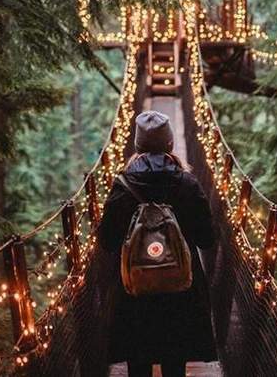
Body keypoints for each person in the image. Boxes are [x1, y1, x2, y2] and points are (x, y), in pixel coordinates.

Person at [99, 110, 217, 377]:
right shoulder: (188, 184)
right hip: (181, 293)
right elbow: (207, 240)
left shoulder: (123, 185)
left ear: (137, 145)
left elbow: (107, 241)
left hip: (135, 295)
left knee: (138, 364)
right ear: (171, 144)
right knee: (174, 363)